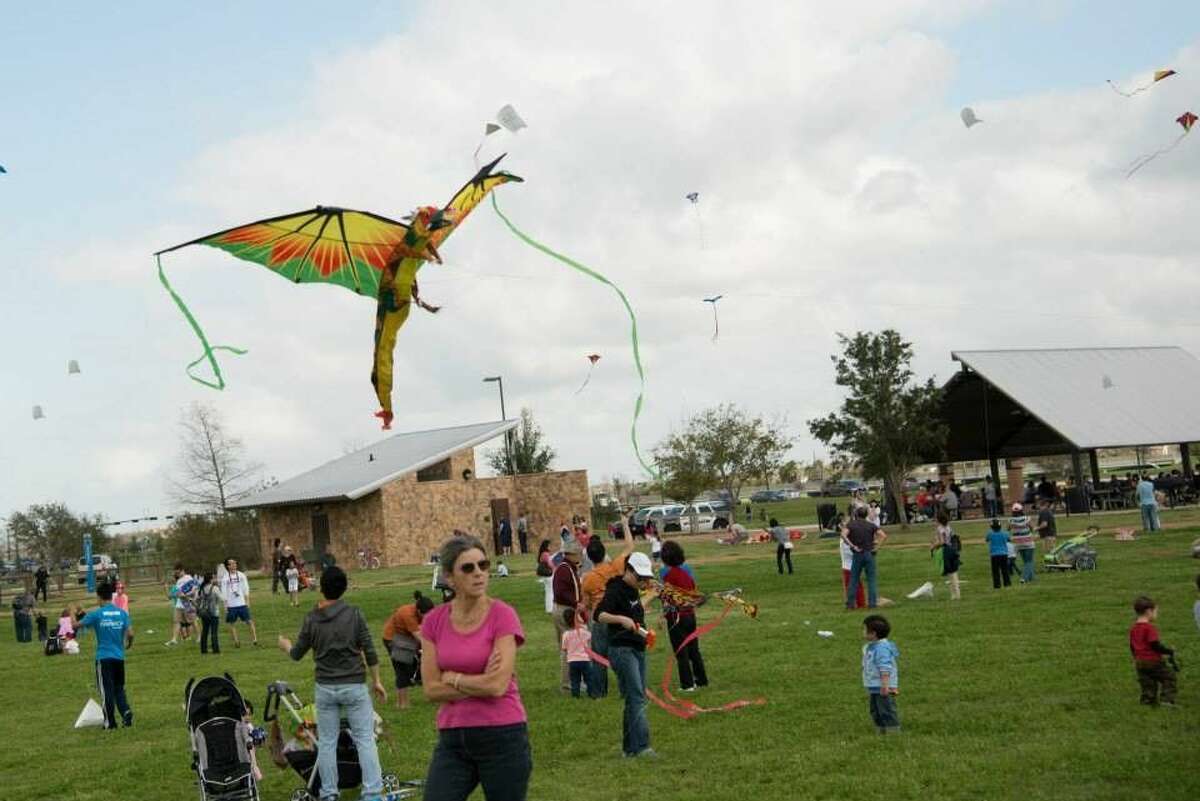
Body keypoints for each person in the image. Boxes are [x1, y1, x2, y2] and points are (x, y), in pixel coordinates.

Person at [419, 534, 532, 801]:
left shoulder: (503, 615)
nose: (479, 573)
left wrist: (454, 677)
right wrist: (480, 679)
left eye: (483, 565)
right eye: (468, 568)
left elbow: (497, 686)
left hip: (503, 736)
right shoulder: (434, 621)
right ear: (449, 577)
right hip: (453, 740)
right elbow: (432, 689)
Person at [280, 566, 386, 800]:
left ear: (322, 588)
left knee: (326, 742)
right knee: (365, 739)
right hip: (354, 686)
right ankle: (372, 792)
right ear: (344, 587)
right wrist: (377, 681)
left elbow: (296, 654)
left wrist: (286, 645)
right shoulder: (355, 614)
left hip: (326, 688)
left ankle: (329, 792)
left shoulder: (312, 619)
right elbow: (369, 650)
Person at [596, 552, 657, 758]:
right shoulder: (616, 589)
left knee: (634, 697)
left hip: (638, 648)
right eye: (640, 577)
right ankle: (642, 747)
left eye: (645, 578)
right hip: (622, 649)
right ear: (629, 570)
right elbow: (599, 615)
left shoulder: (633, 591)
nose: (643, 582)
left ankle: (629, 749)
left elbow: (636, 613)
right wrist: (621, 620)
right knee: (637, 696)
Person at [580, 518, 634, 698]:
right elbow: (629, 546)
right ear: (604, 554)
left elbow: (586, 604)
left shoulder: (588, 578)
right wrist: (625, 523)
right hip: (619, 616)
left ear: (589, 557)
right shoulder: (616, 566)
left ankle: (599, 692)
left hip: (600, 620)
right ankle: (625, 689)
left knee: (598, 658)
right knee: (621, 655)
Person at [76, 581, 134, 729]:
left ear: (99, 597)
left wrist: (72, 611)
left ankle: (110, 723)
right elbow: (130, 633)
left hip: (103, 658)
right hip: (119, 657)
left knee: (106, 690)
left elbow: (76, 625)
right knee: (119, 688)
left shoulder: (97, 614)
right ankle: (125, 711)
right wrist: (129, 643)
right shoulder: (122, 613)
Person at [660, 540, 708, 692]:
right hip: (690, 616)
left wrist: (663, 613)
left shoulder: (669, 576)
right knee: (693, 649)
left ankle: (687, 684)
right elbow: (694, 594)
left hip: (676, 618)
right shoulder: (686, 575)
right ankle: (701, 680)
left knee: (681, 651)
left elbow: (667, 598)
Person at [383, 590, 436, 709]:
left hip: (408, 638)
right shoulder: (407, 614)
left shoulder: (427, 611)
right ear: (418, 611)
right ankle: (402, 703)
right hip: (393, 639)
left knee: (420, 664)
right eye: (425, 615)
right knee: (402, 667)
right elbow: (420, 638)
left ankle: (428, 692)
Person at [1129, 596, 1178, 707]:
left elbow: (1132, 646)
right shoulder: (1149, 628)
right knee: (1169, 677)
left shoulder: (1134, 628)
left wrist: (1135, 657)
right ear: (1148, 611)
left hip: (1140, 661)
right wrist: (1168, 651)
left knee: (1147, 681)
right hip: (1152, 660)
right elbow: (1154, 645)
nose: (1156, 614)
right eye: (1155, 611)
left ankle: (1147, 700)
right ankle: (1167, 700)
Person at [551, 540, 584, 692]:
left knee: (568, 647)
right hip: (565, 610)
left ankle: (571, 681)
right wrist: (576, 603)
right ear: (571, 554)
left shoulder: (566, 568)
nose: (580, 556)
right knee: (570, 648)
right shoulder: (565, 570)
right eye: (578, 553)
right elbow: (561, 592)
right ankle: (569, 683)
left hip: (562, 608)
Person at [861, 614, 900, 734]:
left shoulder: (882, 648)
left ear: (873, 634)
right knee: (875, 710)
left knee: (886, 709)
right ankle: (881, 730)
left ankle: (892, 731)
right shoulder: (872, 646)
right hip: (874, 685)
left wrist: (885, 686)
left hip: (883, 686)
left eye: (865, 629)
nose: (863, 632)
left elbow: (885, 668)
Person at [842, 506, 887, 609]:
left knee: (854, 579)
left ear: (856, 515)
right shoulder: (871, 525)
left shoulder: (851, 525)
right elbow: (884, 536)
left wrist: (852, 545)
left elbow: (843, 535)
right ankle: (872, 604)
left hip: (858, 553)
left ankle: (850, 604)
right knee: (871, 579)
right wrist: (876, 548)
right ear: (866, 515)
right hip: (869, 554)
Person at [221, 558, 259, 647]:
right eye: (232, 563)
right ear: (228, 566)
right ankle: (236, 641)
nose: (234, 565)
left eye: (235, 563)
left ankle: (254, 639)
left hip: (242, 603)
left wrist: (247, 601)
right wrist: (225, 605)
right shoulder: (225, 578)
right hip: (231, 605)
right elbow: (224, 592)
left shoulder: (241, 575)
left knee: (249, 621)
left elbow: (246, 588)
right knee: (232, 623)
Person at [561, 608, 598, 699]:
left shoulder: (566, 634)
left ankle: (575, 695)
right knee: (589, 678)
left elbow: (564, 648)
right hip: (585, 660)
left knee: (575, 679)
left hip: (572, 661)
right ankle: (592, 694)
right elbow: (591, 637)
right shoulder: (584, 632)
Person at [931, 512, 961, 600]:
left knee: (950, 573)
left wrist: (933, 546)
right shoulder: (949, 527)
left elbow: (942, 542)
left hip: (946, 550)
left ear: (939, 520)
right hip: (952, 549)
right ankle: (957, 594)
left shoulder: (939, 529)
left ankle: (954, 595)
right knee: (954, 572)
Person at [164, 563, 195, 646]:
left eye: (178, 572)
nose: (176, 574)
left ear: (182, 570)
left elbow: (194, 590)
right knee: (176, 622)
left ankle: (199, 637)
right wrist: (169, 590)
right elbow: (175, 594)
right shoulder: (179, 581)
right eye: (176, 573)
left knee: (193, 621)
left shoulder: (188, 578)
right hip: (179, 604)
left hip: (187, 603)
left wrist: (186, 595)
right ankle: (174, 640)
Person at [1009, 503, 1036, 584]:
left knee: (1025, 561)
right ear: (1021, 510)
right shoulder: (1027, 518)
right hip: (1028, 542)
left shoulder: (1010, 520)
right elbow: (1032, 528)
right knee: (1029, 561)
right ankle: (1024, 578)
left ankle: (1031, 577)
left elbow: (1008, 529)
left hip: (1017, 543)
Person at [196, 572, 221, 655]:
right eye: (213, 578)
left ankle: (203, 650)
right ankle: (215, 650)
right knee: (214, 632)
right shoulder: (215, 588)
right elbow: (221, 597)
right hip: (214, 612)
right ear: (211, 579)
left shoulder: (202, 588)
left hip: (204, 613)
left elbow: (197, 599)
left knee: (205, 631)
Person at [840, 533, 866, 609]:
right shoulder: (847, 543)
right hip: (851, 566)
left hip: (848, 567)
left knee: (852, 587)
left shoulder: (845, 541)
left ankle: (855, 604)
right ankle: (859, 603)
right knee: (857, 587)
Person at [986, 519, 1012, 589]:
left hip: (994, 555)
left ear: (991, 527)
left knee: (995, 571)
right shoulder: (1005, 533)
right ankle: (1007, 584)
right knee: (1005, 570)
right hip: (1004, 554)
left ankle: (997, 585)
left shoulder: (990, 533)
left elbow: (987, 539)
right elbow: (1009, 539)